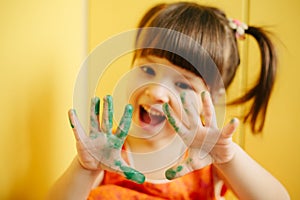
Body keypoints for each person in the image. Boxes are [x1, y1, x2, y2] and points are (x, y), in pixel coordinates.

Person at [47, 2, 290, 199]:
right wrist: (85, 168)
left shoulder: (210, 160)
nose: (156, 92)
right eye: (148, 70)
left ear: (212, 97)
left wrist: (229, 159)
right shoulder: (107, 154)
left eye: (183, 84)